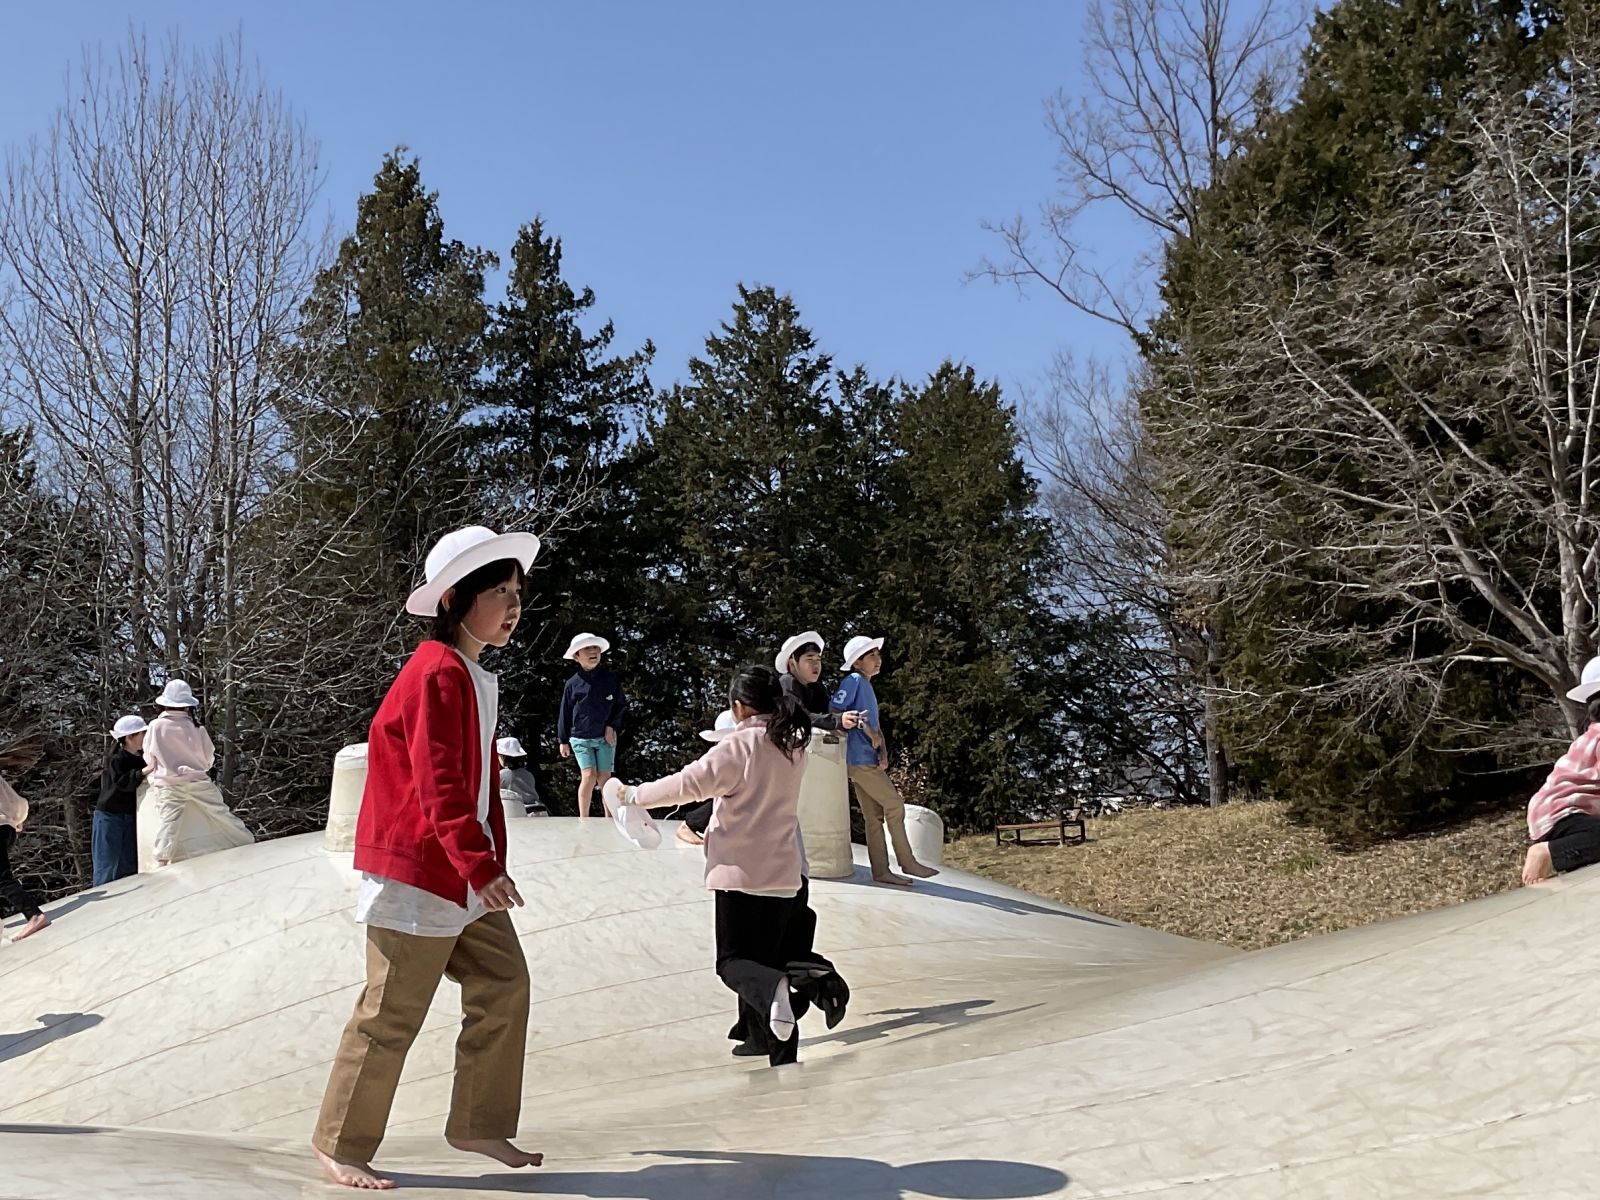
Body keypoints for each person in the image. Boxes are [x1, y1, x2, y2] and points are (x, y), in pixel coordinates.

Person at [312, 525, 542, 1192]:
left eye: (517, 593)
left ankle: (476, 1122)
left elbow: (476, 785)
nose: (512, 605)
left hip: (460, 874)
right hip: (419, 872)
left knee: (504, 983)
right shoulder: (436, 671)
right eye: (497, 592)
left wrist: (485, 862)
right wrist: (479, 863)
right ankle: (339, 1143)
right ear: (452, 601)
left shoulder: (468, 673)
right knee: (390, 1013)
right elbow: (436, 781)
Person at [606, 665, 847, 1066]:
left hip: (740, 873)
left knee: (733, 963)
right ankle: (774, 1049)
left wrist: (633, 795)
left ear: (738, 707)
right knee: (766, 962)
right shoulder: (793, 747)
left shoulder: (740, 746)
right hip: (784, 873)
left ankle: (774, 991)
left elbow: (687, 784)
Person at [831, 636, 938, 887]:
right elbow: (835, 710)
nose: (878, 659)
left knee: (873, 816)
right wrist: (866, 730)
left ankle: (881, 871)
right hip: (858, 759)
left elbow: (874, 726)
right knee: (894, 804)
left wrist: (883, 751)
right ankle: (907, 861)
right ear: (857, 662)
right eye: (871, 655)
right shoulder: (854, 680)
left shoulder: (865, 685)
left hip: (864, 758)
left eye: (878, 654)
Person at [142, 681, 254, 868]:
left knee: (169, 823)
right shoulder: (196, 728)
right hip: (198, 780)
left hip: (168, 784)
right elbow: (209, 756)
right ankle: (247, 841)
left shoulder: (155, 726)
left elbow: (149, 755)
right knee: (220, 812)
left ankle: (162, 860)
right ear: (187, 705)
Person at [1523, 656, 1600, 885]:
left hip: (1554, 811)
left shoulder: (1591, 734)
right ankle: (1549, 852)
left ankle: (1560, 853)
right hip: (1563, 811)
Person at [557, 633, 626, 820]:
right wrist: (563, 740)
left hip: (605, 737)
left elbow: (620, 705)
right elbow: (565, 712)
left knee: (605, 778)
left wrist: (611, 726)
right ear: (576, 656)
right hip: (580, 737)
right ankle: (584, 818)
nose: (593, 651)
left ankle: (610, 819)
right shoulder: (572, 684)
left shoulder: (609, 679)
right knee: (588, 775)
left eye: (596, 648)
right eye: (587, 648)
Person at [94, 715, 147, 885]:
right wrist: (143, 772)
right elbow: (123, 782)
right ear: (129, 737)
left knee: (129, 863)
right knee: (107, 863)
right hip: (110, 815)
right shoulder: (116, 759)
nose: (145, 737)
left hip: (130, 814)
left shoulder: (142, 758)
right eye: (142, 734)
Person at [775, 631, 862, 735]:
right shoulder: (786, 681)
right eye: (810, 659)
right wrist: (838, 720)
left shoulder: (817, 687)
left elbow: (826, 713)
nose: (816, 664)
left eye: (818, 659)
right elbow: (800, 717)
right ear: (792, 664)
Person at [0, 769, 48, 942]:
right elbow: (17, 801)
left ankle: (34, 914)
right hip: (7, 828)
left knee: (3, 880)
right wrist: (16, 819)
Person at [497, 736, 547, 817]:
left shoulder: (501, 775)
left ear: (503, 757)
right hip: (539, 809)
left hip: (522, 813)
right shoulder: (528, 774)